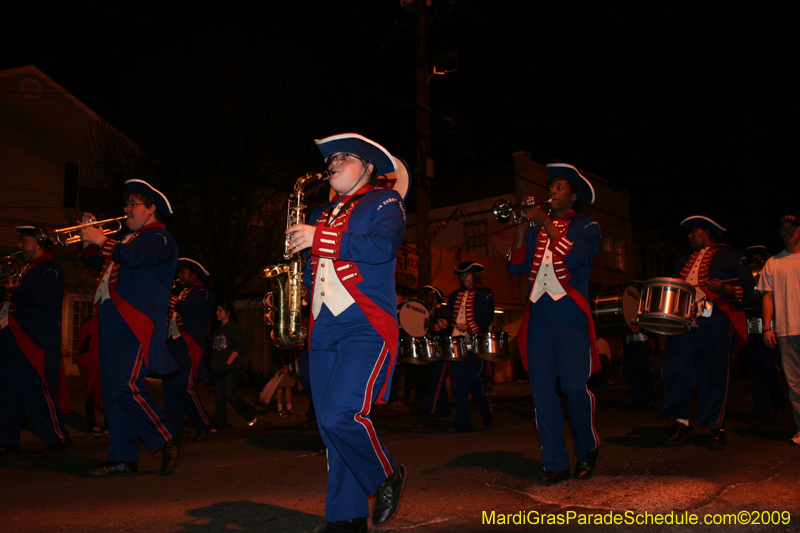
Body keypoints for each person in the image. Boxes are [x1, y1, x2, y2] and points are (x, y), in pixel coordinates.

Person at [286, 133, 409, 533]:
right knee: (328, 424)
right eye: (331, 158)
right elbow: (318, 269)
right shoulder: (321, 212)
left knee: (342, 414)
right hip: (324, 327)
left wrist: (318, 238)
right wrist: (298, 287)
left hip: (365, 323)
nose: (333, 163)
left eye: (344, 157)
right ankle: (346, 518)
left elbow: (382, 245)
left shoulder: (385, 202)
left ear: (368, 167)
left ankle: (386, 476)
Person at [506, 163, 602, 486]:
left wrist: (545, 221)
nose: (552, 193)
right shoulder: (534, 229)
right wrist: (522, 224)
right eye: (551, 188)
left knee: (574, 387)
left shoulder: (588, 225)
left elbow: (574, 258)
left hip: (570, 313)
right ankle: (555, 462)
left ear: (573, 195)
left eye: (559, 188)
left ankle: (587, 449)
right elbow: (515, 267)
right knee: (542, 393)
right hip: (539, 315)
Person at [80, 179, 184, 475]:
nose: (126, 210)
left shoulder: (160, 238)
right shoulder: (126, 238)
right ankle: (122, 457)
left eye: (132, 204)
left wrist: (102, 240)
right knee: (113, 389)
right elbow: (92, 260)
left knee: (127, 384)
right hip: (112, 316)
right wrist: (89, 238)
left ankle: (167, 437)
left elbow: (138, 259)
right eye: (125, 204)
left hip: (135, 319)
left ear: (152, 209)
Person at [660, 216, 753, 451]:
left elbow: (747, 290)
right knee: (675, 367)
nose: (689, 236)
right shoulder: (681, 260)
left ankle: (716, 426)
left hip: (717, 320)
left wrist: (726, 289)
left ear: (709, 233)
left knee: (714, 371)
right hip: (683, 322)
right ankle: (681, 422)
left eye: (695, 231)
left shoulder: (732, 256)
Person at [0, 226, 71, 455]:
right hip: (11, 335)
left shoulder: (50, 269)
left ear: (39, 242)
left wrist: (11, 291)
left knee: (36, 388)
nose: (20, 246)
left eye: (24, 241)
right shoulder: (23, 269)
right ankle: (7, 440)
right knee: (9, 390)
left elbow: (39, 298)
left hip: (35, 337)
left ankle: (57, 438)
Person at [758, 213, 800, 445]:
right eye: (783, 227)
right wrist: (767, 328)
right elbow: (767, 297)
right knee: (794, 384)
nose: (787, 231)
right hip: (786, 331)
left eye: (792, 226)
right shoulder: (773, 263)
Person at [163, 258, 213, 442]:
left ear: (193, 275)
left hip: (188, 344)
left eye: (183, 273)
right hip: (173, 344)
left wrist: (170, 296)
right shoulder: (181, 291)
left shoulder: (202, 292)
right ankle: (175, 429)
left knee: (184, 388)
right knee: (169, 388)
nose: (179, 276)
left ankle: (203, 423)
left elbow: (188, 309)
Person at [444, 262, 494, 432]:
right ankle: (462, 422)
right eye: (461, 275)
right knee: (457, 383)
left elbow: (487, 317)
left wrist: (469, 326)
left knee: (474, 379)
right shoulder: (453, 295)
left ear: (475, 275)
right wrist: (442, 323)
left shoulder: (485, 293)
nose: (464, 278)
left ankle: (487, 413)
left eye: (467, 275)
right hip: (457, 344)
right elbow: (448, 317)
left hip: (476, 342)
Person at [744, 245, 785, 426]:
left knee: (769, 367)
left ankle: (779, 403)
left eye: (760, 259)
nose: (757, 263)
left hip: (771, 325)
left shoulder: (773, 270)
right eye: (753, 260)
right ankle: (761, 411)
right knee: (754, 371)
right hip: (751, 326)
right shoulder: (744, 274)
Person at [210, 302, 257, 430]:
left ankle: (250, 413)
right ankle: (220, 423)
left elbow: (240, 344)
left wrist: (229, 361)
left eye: (220, 310)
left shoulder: (233, 327)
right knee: (219, 397)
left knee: (229, 393)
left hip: (232, 367)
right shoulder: (217, 330)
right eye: (217, 310)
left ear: (228, 313)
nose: (217, 313)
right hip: (219, 368)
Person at [423, 285, 451, 417]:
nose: (426, 298)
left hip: (441, 351)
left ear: (434, 297)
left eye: (429, 295)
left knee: (436, 381)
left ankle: (431, 408)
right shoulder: (430, 312)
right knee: (437, 381)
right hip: (433, 351)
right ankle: (444, 408)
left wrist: (430, 326)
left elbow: (444, 328)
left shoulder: (441, 311)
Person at [77, 314, 106, 437]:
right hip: (93, 364)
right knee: (93, 394)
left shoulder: (94, 323)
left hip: (97, 363)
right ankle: (93, 423)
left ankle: (100, 423)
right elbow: (85, 346)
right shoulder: (94, 323)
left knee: (98, 394)